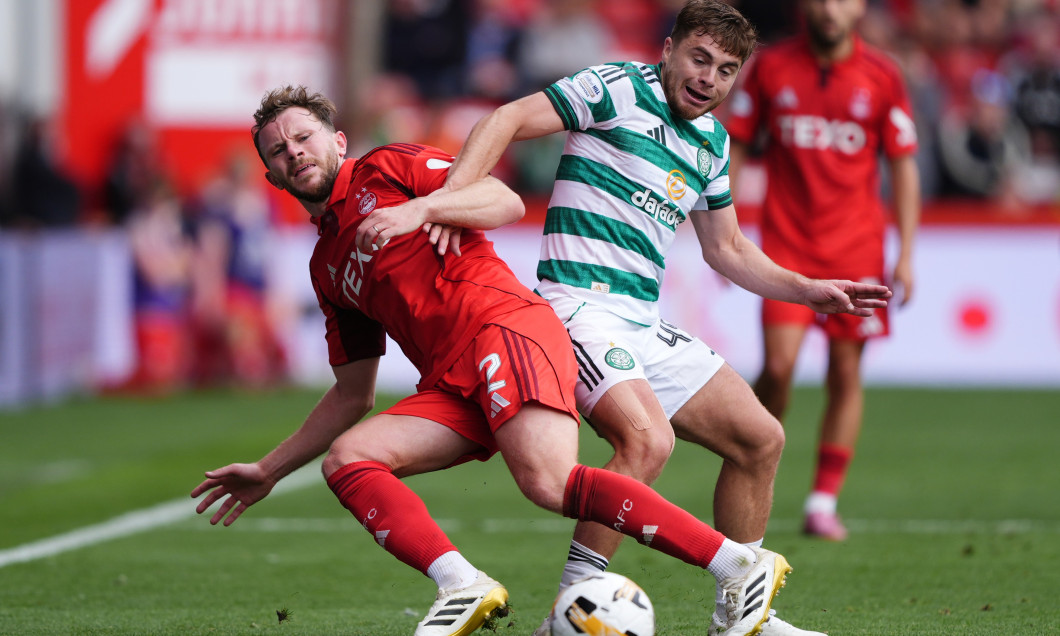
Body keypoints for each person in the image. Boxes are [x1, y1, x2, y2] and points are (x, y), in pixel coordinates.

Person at [192, 85, 803, 636]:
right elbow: (353, 394)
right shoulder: (326, 266)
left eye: (304, 137)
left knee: (547, 480)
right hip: (453, 381)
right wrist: (269, 470)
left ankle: (737, 563)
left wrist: (421, 209)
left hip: (504, 327)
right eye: (278, 151)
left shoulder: (389, 167)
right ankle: (463, 584)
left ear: (337, 140)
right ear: (271, 175)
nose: (294, 152)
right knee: (350, 459)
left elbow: (503, 201)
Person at [436, 1, 892, 634]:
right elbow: (506, 117)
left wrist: (804, 289)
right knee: (647, 441)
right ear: (670, 49)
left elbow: (726, 249)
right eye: (699, 59)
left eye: (726, 70)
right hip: (576, 310)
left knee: (761, 439)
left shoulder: (712, 142)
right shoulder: (614, 88)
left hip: (642, 322)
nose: (708, 79)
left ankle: (742, 620)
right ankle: (567, 614)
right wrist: (450, 202)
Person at [725, 0, 920, 541]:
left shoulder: (883, 74)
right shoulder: (771, 67)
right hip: (788, 249)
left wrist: (905, 251)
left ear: (859, 8)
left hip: (857, 250)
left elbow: (902, 164)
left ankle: (821, 501)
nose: (831, 9)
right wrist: (727, 227)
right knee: (780, 368)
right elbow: (735, 145)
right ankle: (750, 462)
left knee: (844, 372)